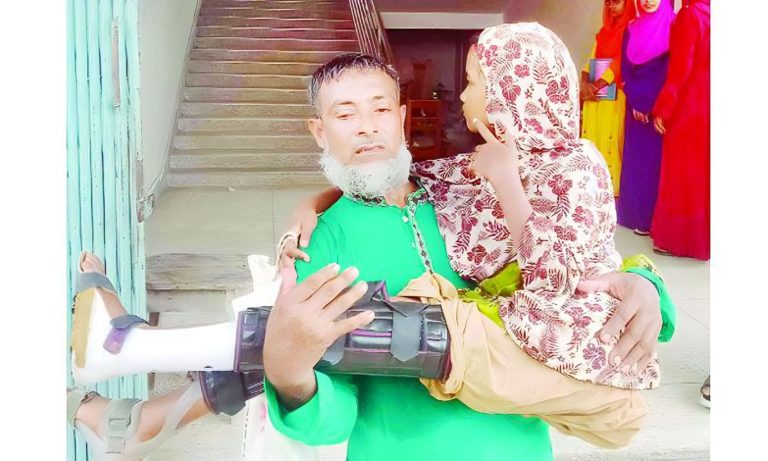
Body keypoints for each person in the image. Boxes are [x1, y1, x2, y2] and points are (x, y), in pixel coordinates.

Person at [68, 49, 672, 461]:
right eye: (345, 114)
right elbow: (330, 417)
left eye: (381, 109)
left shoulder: (469, 193)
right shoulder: (322, 243)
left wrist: (647, 286)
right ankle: (135, 380)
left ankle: (136, 383)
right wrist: (292, 377)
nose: (367, 128)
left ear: (403, 118)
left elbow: (579, 254)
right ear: (319, 131)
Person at [650, 0, 710, 260]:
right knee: (702, 175)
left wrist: (664, 108)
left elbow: (681, 68)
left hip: (689, 106)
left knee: (680, 173)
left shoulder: (690, 16)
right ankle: (702, 242)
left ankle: (677, 241)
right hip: (709, 105)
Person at [616, 0, 674, 235]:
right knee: (634, 160)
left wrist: (651, 104)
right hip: (635, 109)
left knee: (654, 164)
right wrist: (636, 100)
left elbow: (670, 72)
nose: (648, 1)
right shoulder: (631, 29)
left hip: (659, 110)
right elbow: (625, 72)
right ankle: (631, 216)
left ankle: (650, 220)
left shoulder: (674, 26)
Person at [580, 0, 636, 196]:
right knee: (593, 142)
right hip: (594, 98)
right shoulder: (603, 33)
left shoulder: (631, 31)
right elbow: (590, 62)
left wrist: (597, 85)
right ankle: (592, 191)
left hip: (613, 95)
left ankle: (611, 195)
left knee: (611, 141)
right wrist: (584, 84)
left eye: (617, 1)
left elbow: (620, 63)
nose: (612, 6)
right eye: (608, 2)